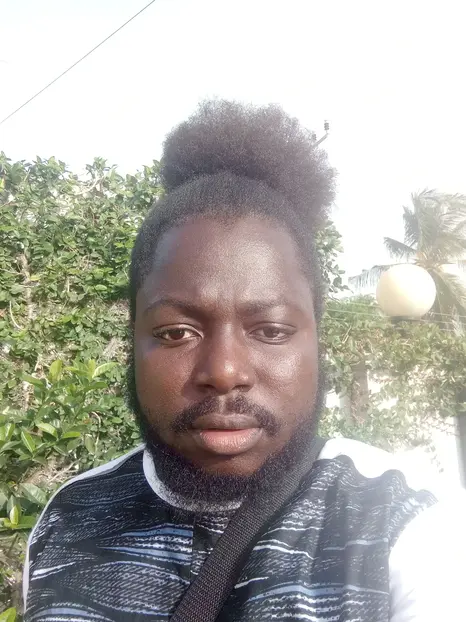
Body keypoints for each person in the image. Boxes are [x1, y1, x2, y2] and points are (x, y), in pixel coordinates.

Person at [23, 101, 464, 622]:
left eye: (271, 331)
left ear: (317, 340)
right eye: (177, 332)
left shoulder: (406, 525)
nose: (225, 372)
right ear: (132, 340)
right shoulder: (68, 517)